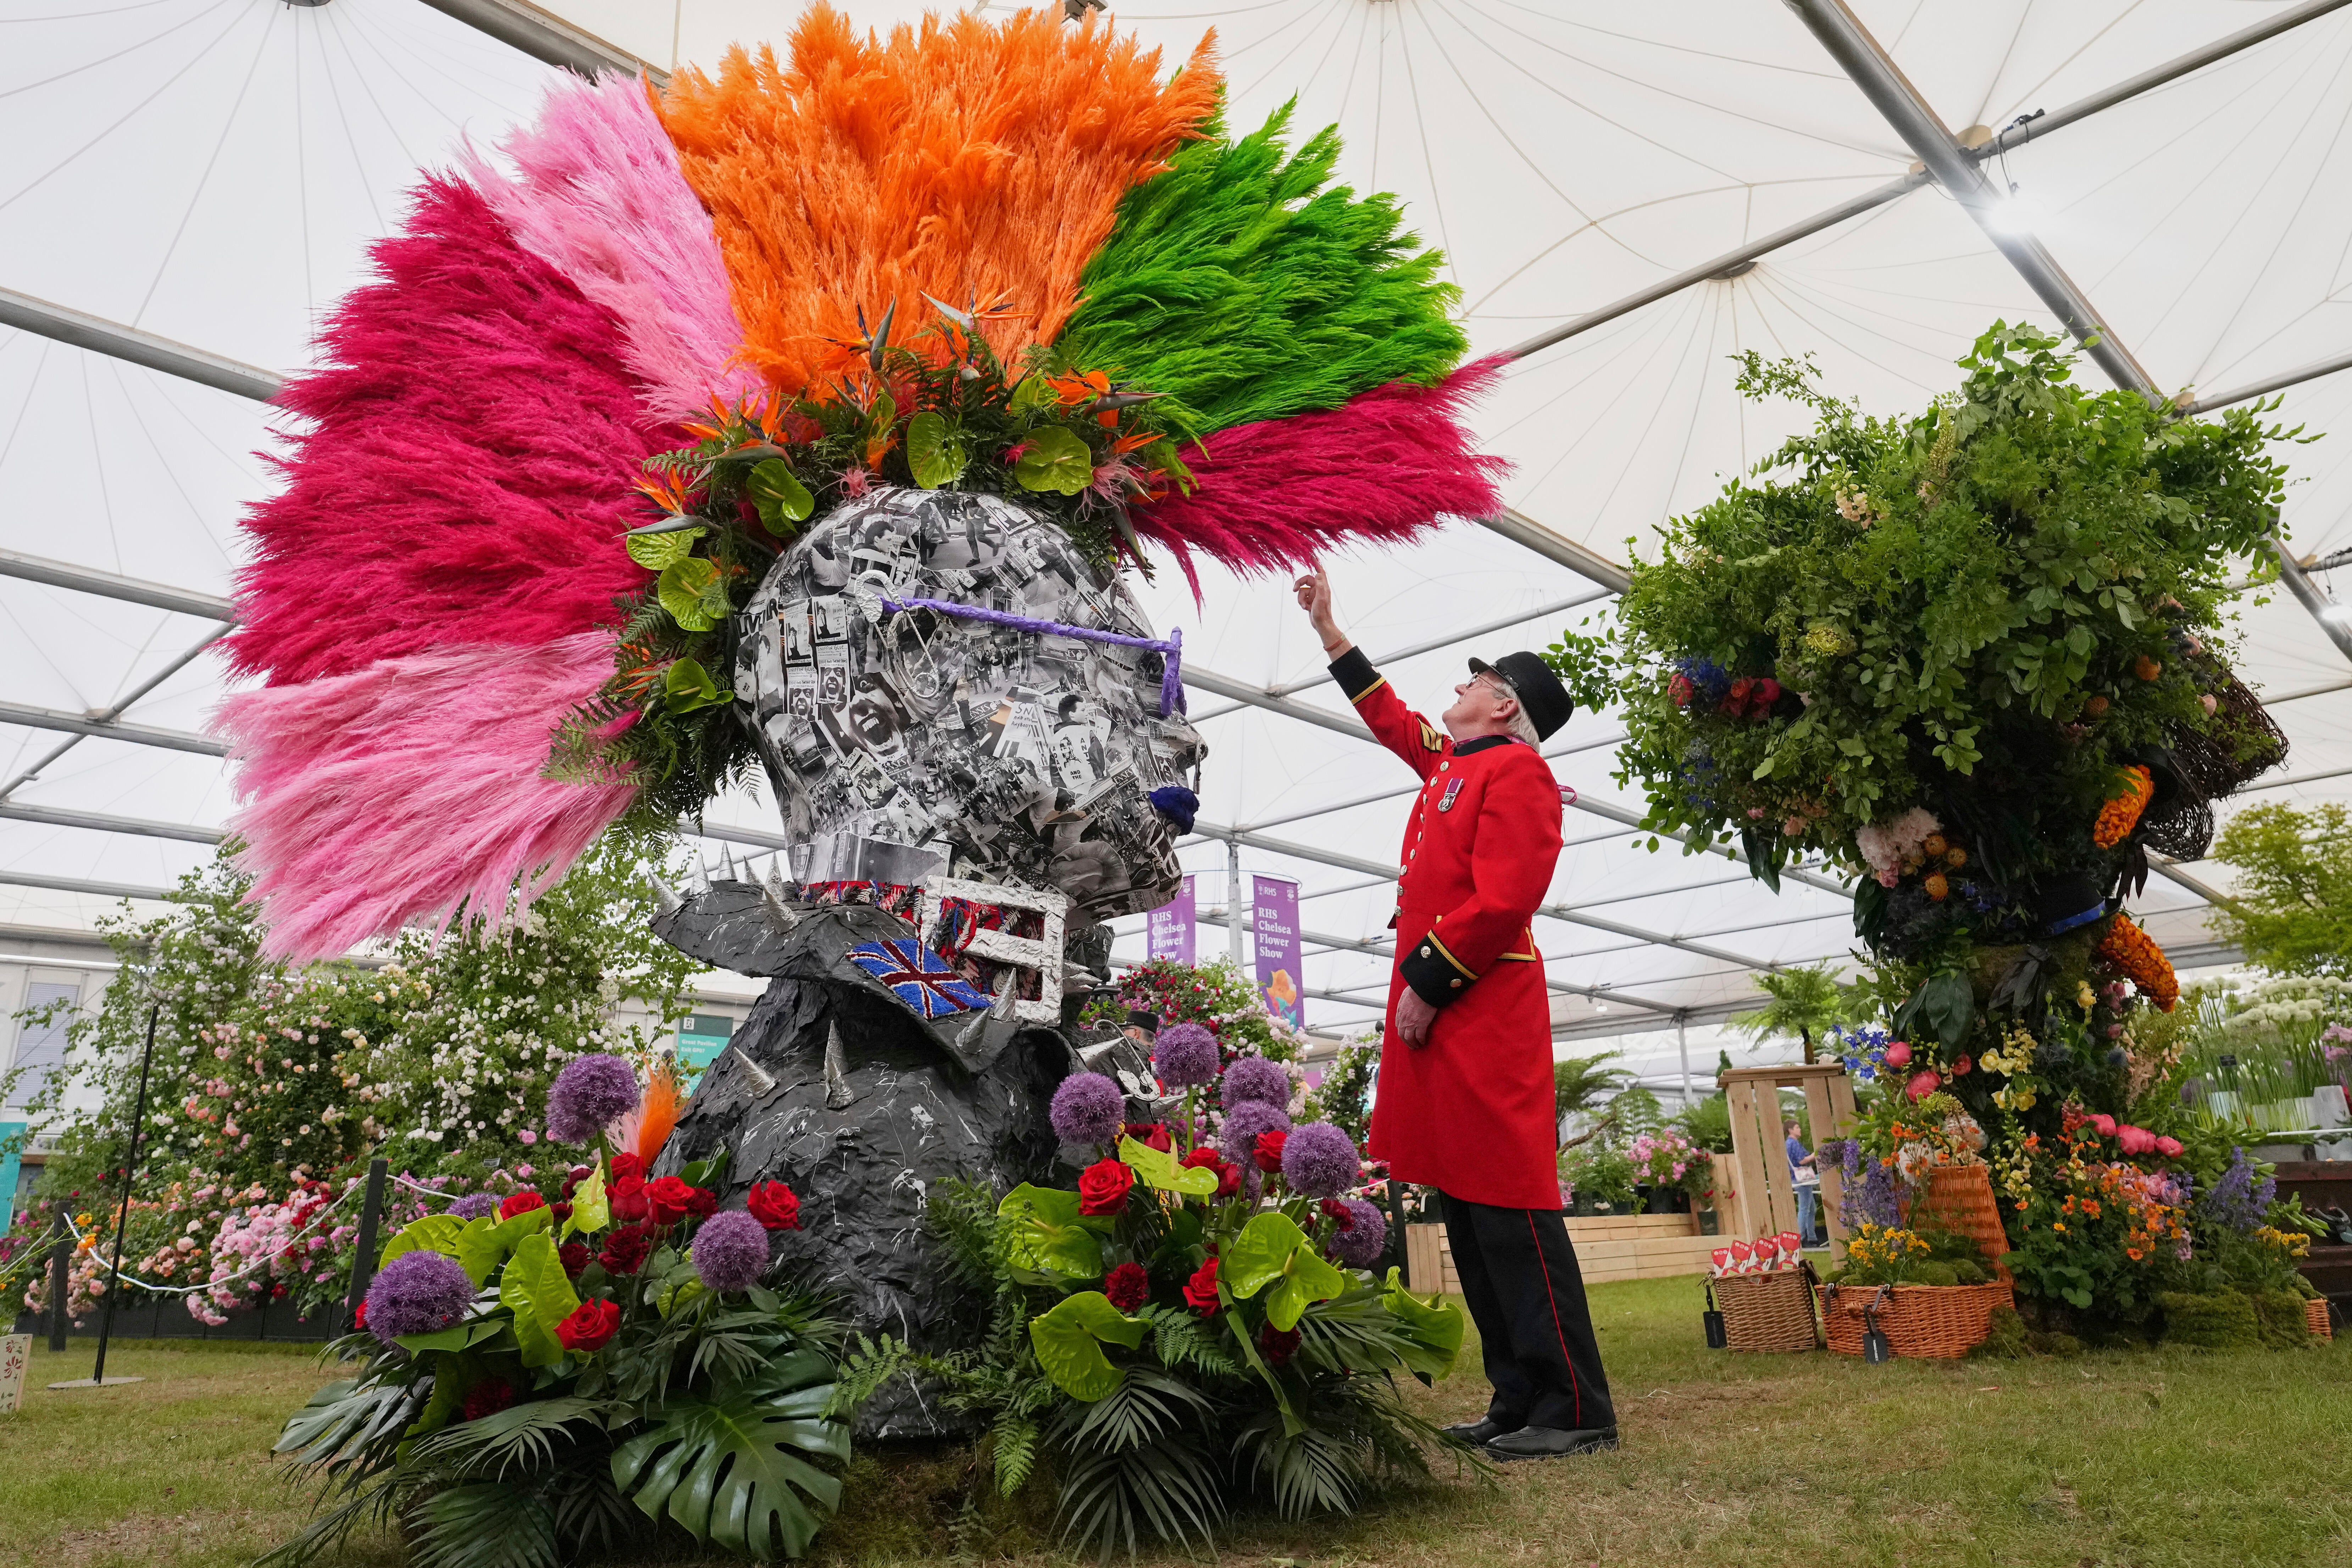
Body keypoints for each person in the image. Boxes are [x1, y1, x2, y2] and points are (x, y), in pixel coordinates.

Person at [1294, 566, 1616, 1460]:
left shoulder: (1518, 776)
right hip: (1447, 1017)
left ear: (1506, 708)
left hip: (1482, 1009)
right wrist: (1331, 633)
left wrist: (1426, 984)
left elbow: (1505, 897)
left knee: (1511, 1209)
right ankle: (1516, 1395)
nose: (1458, 686)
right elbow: (1389, 714)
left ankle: (1575, 1404)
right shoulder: (1455, 762)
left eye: (1475, 678)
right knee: (1470, 1217)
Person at [1786, 1118, 1820, 1246]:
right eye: (1797, 1127)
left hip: (1799, 1178)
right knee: (1805, 1208)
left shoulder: (1791, 1143)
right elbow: (1801, 1161)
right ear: (1791, 1130)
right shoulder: (1793, 1144)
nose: (1799, 1129)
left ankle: (1811, 1237)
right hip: (1801, 1179)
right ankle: (1801, 1238)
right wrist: (1816, 1155)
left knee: (1811, 1209)